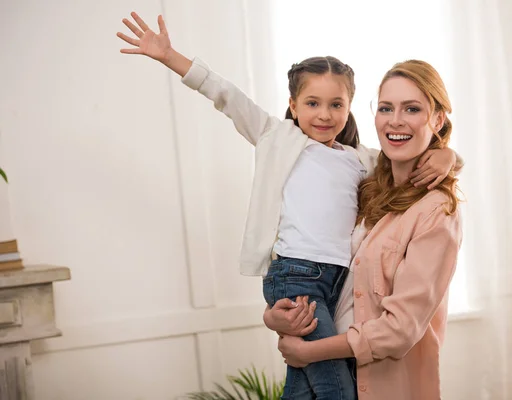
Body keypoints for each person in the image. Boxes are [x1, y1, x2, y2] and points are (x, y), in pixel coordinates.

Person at [117, 12, 460, 399]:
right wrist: (171, 57)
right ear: (293, 106)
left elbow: (404, 153)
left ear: (349, 108)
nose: (324, 114)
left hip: (333, 286)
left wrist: (448, 155)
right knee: (333, 388)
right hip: (297, 274)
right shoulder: (277, 138)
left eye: (336, 104)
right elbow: (227, 95)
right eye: (312, 103)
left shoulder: (358, 161)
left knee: (304, 380)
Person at [268, 59, 463, 400]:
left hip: (381, 385)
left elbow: (400, 329)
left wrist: (310, 352)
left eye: (412, 108)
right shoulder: (366, 184)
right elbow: (326, 274)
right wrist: (276, 316)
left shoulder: (437, 210)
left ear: (438, 119)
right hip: (328, 374)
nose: (396, 120)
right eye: (386, 108)